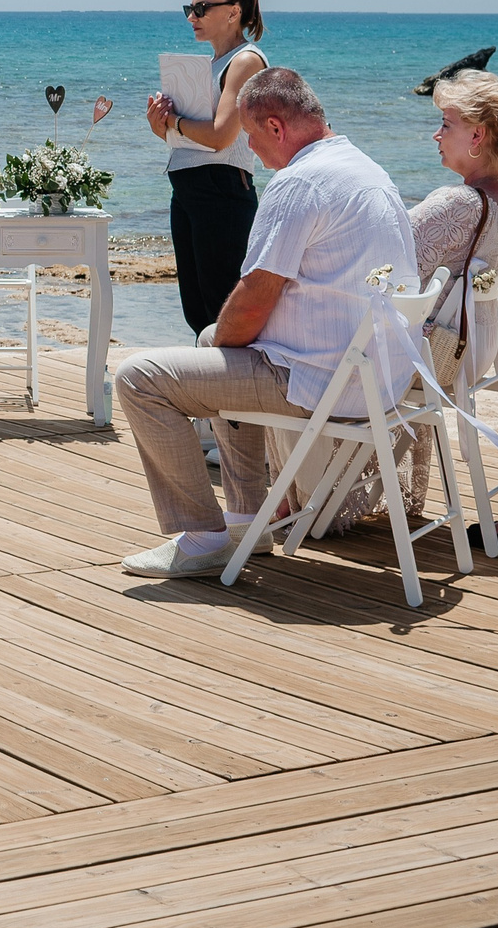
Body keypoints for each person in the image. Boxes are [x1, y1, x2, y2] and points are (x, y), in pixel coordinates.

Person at [111, 69, 418, 576]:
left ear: (275, 126)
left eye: (251, 137)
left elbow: (255, 298)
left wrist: (222, 350)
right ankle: (244, 520)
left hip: (319, 383)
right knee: (215, 339)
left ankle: (204, 537)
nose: (250, 150)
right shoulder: (368, 170)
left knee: (139, 378)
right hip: (376, 378)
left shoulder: (298, 183)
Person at [324, 71, 498, 531]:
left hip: (431, 357)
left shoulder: (458, 202)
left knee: (300, 350)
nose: (436, 134)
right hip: (468, 353)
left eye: (446, 123)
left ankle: (303, 497)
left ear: (477, 135)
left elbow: (385, 270)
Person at [146, 0, 269, 335]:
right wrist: (161, 125)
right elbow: (193, 137)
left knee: (221, 307)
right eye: (190, 8)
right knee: (197, 309)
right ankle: (205, 384)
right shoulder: (208, 65)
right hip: (189, 188)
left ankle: (227, 387)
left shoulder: (245, 60)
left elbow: (220, 137)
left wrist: (175, 123)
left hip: (221, 189)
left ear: (233, 12)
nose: (191, 17)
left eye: (202, 9)